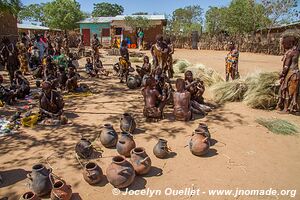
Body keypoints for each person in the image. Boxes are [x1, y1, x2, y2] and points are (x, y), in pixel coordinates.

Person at [276, 32, 300, 114]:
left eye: (283, 44)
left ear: (289, 43)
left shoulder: (290, 53)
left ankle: (286, 109)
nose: (283, 45)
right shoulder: (296, 51)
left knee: (286, 91)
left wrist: (282, 75)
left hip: (290, 74)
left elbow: (286, 66)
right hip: (296, 73)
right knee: (294, 91)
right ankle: (293, 108)